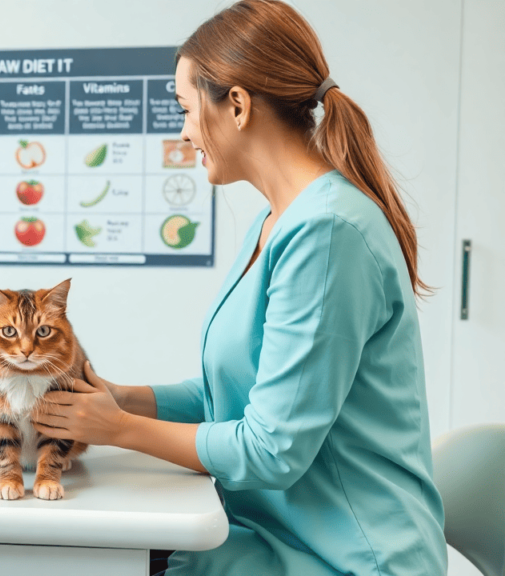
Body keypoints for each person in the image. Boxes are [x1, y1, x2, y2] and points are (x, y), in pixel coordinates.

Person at [33, 2, 448, 575]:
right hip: (274, 533)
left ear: (236, 104)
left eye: (184, 109)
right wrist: (117, 397)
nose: (182, 133)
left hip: (349, 558)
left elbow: (270, 449)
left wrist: (121, 430)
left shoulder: (327, 234)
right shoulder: (273, 222)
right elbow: (227, 398)